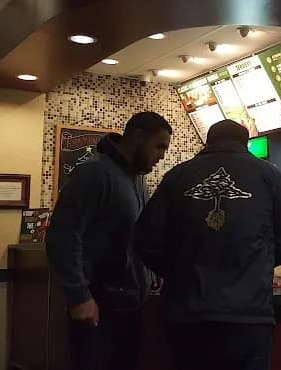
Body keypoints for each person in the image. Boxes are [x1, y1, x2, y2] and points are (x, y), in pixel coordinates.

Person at [136, 119, 281, 370]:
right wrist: (255, 267)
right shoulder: (270, 176)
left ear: (208, 142)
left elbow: (146, 240)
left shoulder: (177, 176)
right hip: (248, 316)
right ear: (245, 144)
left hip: (187, 316)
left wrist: (179, 272)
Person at [46, 112, 172, 370]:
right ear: (137, 138)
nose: (162, 155)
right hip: (99, 306)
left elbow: (133, 232)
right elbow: (63, 236)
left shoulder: (138, 178)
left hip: (131, 306)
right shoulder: (95, 173)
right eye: (159, 146)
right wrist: (79, 296)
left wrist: (151, 270)